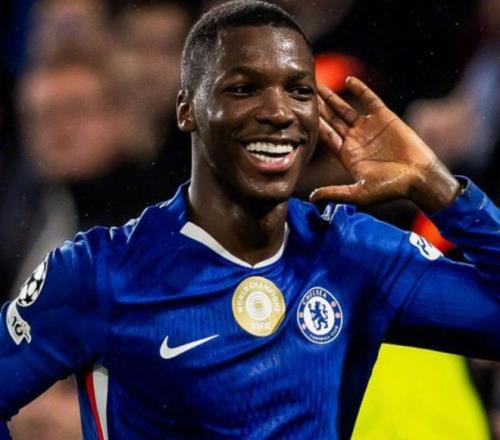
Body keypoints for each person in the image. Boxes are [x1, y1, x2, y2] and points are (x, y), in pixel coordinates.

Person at [0, 1, 499, 438]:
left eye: (299, 91)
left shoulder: (355, 254)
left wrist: (439, 188)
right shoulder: (100, 271)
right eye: (243, 89)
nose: (279, 112)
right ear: (187, 109)